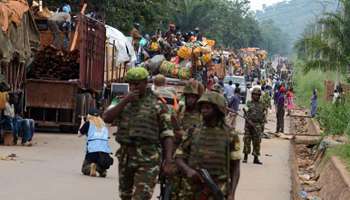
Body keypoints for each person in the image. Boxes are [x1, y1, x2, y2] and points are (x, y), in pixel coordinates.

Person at [102, 67, 174, 200]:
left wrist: (168, 159)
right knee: (125, 196)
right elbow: (106, 117)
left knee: (141, 197)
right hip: (126, 157)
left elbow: (167, 133)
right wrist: (125, 101)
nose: (133, 87)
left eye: (137, 84)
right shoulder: (121, 101)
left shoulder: (157, 104)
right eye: (131, 84)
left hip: (148, 158)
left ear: (145, 83)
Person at [175, 91, 241, 200]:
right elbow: (178, 157)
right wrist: (188, 170)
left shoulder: (230, 135)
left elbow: (235, 167)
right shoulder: (193, 131)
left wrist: (232, 193)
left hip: (217, 188)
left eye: (207, 107)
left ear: (217, 110)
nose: (203, 110)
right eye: (202, 107)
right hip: (191, 189)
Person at [170, 80, 204, 200]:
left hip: (195, 158)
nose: (190, 99)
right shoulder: (180, 110)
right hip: (178, 155)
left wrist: (183, 135)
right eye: (188, 96)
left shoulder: (203, 114)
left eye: (193, 96)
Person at [79, 108, 113, 177]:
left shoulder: (88, 123)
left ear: (89, 116)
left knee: (84, 169)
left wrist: (82, 123)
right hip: (104, 152)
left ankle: (92, 167)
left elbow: (79, 134)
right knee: (100, 162)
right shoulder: (104, 125)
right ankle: (102, 170)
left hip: (92, 151)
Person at [243, 88, 265, 164]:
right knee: (247, 141)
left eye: (257, 95)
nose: (255, 96)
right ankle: (245, 157)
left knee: (257, 142)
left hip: (258, 125)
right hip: (249, 125)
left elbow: (263, 116)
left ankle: (256, 158)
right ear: (252, 95)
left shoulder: (262, 104)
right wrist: (248, 121)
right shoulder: (248, 103)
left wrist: (262, 127)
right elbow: (245, 114)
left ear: (259, 96)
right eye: (254, 94)